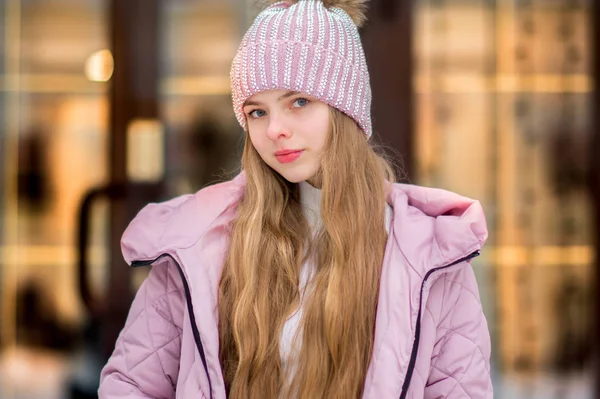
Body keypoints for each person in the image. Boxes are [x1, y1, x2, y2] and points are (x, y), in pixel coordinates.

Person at [98, 0, 493, 398]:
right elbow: (132, 385)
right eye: (257, 112)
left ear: (345, 110)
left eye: (298, 102)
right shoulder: (197, 242)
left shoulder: (431, 256)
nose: (275, 130)